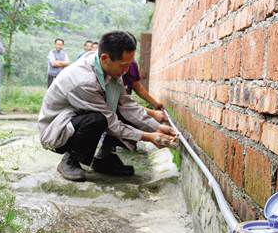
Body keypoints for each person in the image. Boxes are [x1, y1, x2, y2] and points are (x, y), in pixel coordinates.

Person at [38, 31, 176, 182]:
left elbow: (127, 104)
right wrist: (149, 137)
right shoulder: (84, 81)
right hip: (57, 131)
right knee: (98, 119)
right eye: (123, 66)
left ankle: (103, 158)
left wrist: (155, 127)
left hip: (79, 115)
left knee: (116, 107)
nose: (126, 70)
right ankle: (70, 160)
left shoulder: (111, 69)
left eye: (129, 65)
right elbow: (112, 124)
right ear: (105, 58)